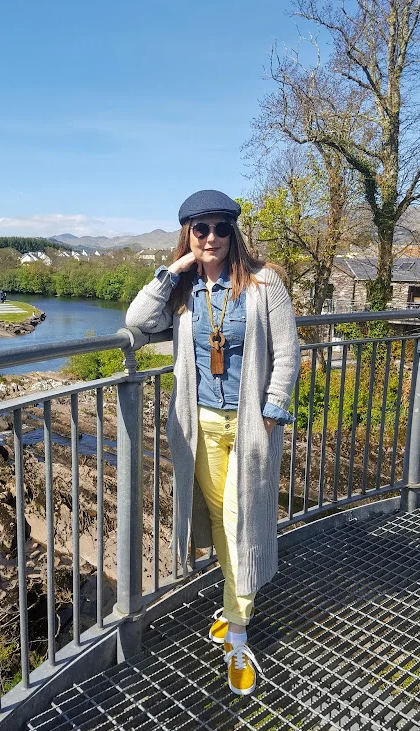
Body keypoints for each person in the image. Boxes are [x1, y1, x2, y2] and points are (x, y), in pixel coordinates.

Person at [125, 190, 300, 696]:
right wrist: (174, 269)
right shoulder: (182, 290)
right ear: (188, 233)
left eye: (221, 228)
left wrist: (271, 412)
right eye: (200, 229)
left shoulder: (264, 282)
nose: (212, 237)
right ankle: (235, 605)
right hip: (198, 424)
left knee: (240, 520)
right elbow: (137, 322)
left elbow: (287, 352)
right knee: (224, 519)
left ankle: (237, 634)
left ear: (233, 232)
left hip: (250, 425)